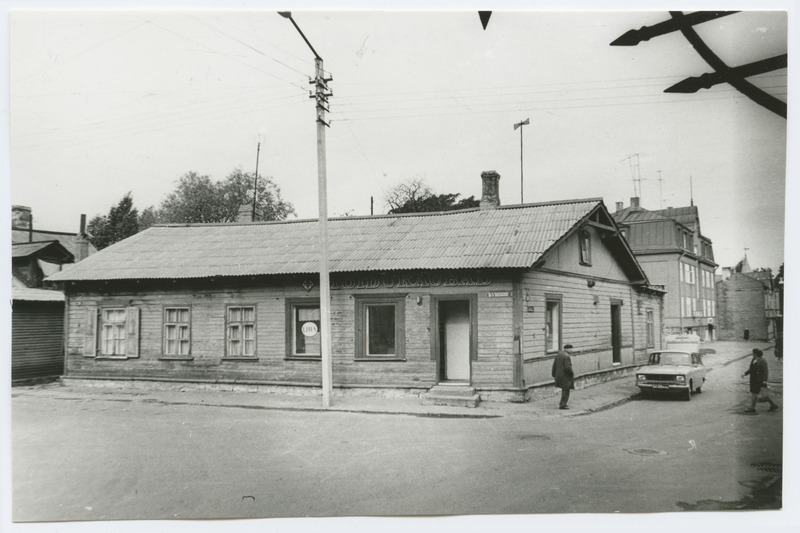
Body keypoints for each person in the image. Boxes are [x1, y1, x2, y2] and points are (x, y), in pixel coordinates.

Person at [742, 348, 779, 413]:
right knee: (759, 395)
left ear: (756, 354)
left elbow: (765, 371)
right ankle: (772, 404)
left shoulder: (763, 361)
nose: (752, 354)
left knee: (754, 394)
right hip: (753, 379)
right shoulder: (753, 359)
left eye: (753, 353)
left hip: (759, 380)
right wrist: (745, 373)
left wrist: (764, 381)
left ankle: (752, 408)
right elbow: (751, 369)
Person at [552, 344, 575, 410]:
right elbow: (568, 368)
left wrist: (554, 374)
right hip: (565, 376)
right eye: (571, 349)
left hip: (559, 375)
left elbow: (554, 365)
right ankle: (563, 404)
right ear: (567, 349)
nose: (572, 350)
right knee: (566, 390)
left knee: (564, 390)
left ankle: (562, 404)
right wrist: (572, 374)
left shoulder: (559, 354)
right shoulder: (567, 356)